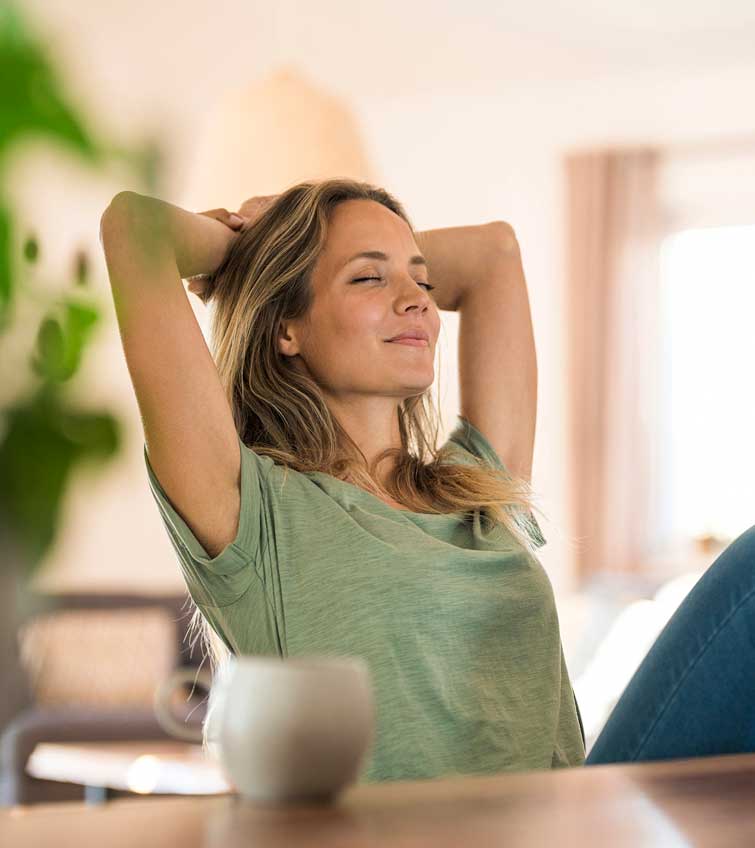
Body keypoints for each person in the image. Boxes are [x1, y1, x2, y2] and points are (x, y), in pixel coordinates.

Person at [99, 178, 753, 785]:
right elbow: (135, 229)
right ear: (286, 327)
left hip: (569, 820)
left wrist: (315, 251)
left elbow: (494, 252)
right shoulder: (253, 510)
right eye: (367, 279)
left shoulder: (475, 487)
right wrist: (255, 251)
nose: (417, 299)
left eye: (420, 279)